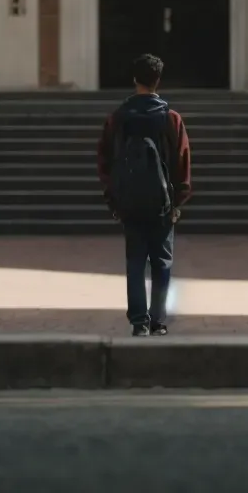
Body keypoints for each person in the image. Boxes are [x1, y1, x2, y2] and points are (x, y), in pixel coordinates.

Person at [96, 53, 193, 337]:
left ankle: (139, 321)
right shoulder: (171, 119)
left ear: (134, 79)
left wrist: (114, 199)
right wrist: (178, 202)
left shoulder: (118, 118)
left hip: (129, 203)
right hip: (163, 204)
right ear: (158, 80)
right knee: (162, 261)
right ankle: (158, 320)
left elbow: (105, 162)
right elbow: (182, 162)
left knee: (135, 261)